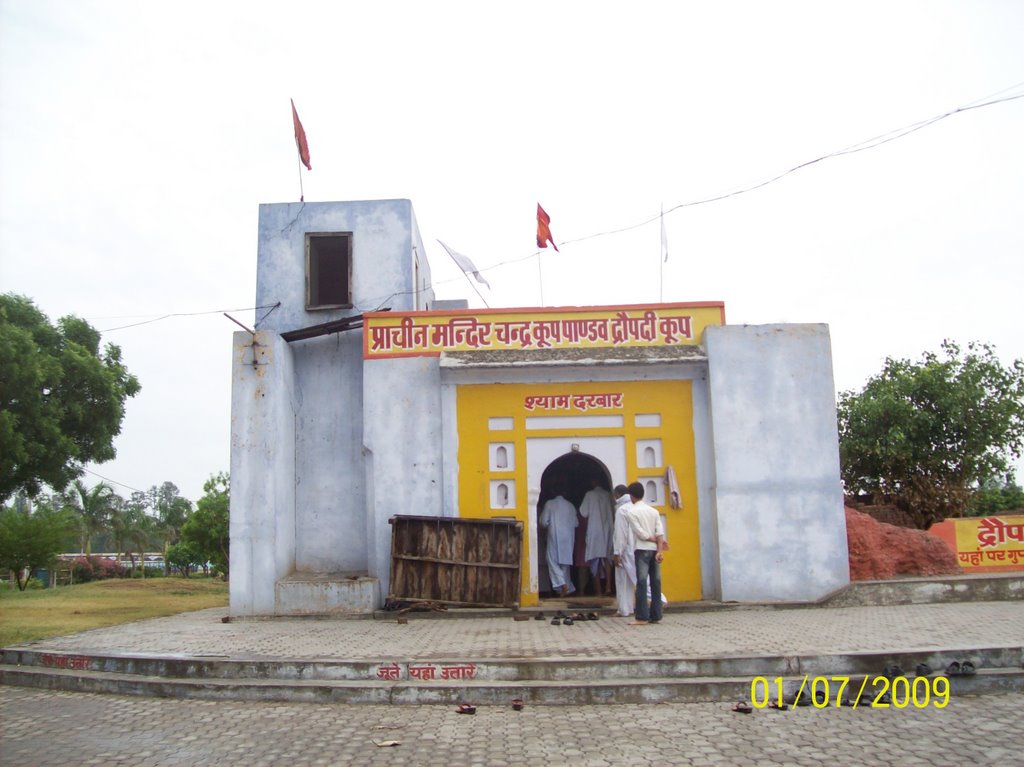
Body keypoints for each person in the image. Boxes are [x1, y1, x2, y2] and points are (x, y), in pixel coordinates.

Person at [625, 481, 665, 625]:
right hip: (655, 550)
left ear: (631, 496)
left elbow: (640, 534)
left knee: (641, 583)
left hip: (642, 549)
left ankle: (641, 617)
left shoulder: (631, 512)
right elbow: (660, 532)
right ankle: (656, 615)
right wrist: (660, 549)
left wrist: (651, 538)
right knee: (656, 582)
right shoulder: (653, 511)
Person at [539, 487, 578, 597]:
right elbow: (576, 523)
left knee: (552, 561)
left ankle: (562, 584)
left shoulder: (550, 504)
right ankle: (563, 590)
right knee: (565, 564)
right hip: (568, 538)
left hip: (554, 537)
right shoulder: (570, 505)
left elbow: (543, 522)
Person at [579, 479, 614, 596]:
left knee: (594, 560)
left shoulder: (589, 495)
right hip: (608, 530)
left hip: (594, 530)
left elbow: (583, 512)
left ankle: (598, 591)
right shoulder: (609, 495)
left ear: (593, 482)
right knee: (607, 558)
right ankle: (608, 587)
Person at [611, 484, 636, 617]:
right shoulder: (635, 507)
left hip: (625, 551)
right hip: (637, 548)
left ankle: (623, 609)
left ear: (617, 495)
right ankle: (627, 609)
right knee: (634, 580)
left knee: (622, 580)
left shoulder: (621, 510)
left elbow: (620, 534)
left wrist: (617, 553)